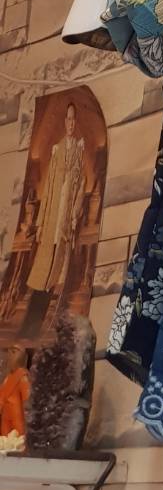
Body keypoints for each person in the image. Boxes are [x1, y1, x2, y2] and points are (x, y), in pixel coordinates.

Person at [21, 102, 86, 339]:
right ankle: (30, 326)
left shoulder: (79, 151)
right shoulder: (57, 150)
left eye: (73, 119)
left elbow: (81, 187)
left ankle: (49, 326)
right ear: (64, 122)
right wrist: (39, 224)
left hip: (65, 222)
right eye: (67, 119)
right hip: (51, 221)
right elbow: (48, 188)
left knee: (58, 273)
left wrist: (75, 214)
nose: (70, 123)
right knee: (43, 271)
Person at [0, 345, 30, 438]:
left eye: (13, 352)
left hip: (17, 420)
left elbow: (27, 401)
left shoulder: (22, 377)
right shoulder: (8, 377)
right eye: (9, 352)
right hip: (5, 418)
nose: (10, 356)